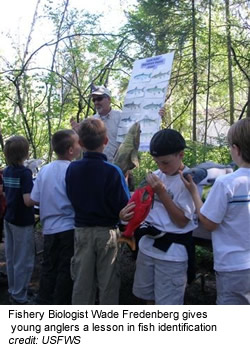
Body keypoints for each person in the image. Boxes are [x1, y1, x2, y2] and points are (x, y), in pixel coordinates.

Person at [120, 129, 198, 305]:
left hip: (172, 254)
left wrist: (162, 193)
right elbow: (139, 208)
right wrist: (124, 216)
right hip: (147, 247)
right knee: (147, 298)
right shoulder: (156, 175)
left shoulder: (188, 181)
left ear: (181, 155)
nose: (162, 167)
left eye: (166, 162)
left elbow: (181, 221)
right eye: (157, 162)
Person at [181, 118, 250, 305]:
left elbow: (209, 223)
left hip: (234, 267)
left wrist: (194, 193)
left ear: (236, 149)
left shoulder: (227, 183)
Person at [66, 118, 130, 305]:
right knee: (108, 283)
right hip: (107, 233)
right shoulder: (113, 171)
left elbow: (71, 195)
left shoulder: (72, 168)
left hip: (82, 231)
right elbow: (123, 206)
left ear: (80, 143)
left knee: (82, 283)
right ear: (106, 141)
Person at [30, 129, 81, 305]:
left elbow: (34, 198)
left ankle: (43, 300)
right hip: (69, 227)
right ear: (70, 150)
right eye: (77, 143)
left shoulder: (45, 170)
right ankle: (60, 304)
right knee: (66, 268)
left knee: (48, 266)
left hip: (50, 228)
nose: (80, 145)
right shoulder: (74, 170)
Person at [71, 85, 165, 162]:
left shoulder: (121, 117)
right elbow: (81, 147)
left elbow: (140, 127)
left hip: (118, 166)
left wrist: (156, 115)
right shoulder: (89, 121)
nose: (96, 102)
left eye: (99, 99)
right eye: (93, 100)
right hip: (94, 167)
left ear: (109, 99)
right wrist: (77, 133)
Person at [3, 136, 35, 304]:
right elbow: (28, 200)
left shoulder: (7, 171)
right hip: (22, 220)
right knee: (23, 259)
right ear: (25, 153)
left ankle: (14, 288)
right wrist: (42, 196)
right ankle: (19, 297)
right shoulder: (25, 173)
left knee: (11, 256)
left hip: (9, 218)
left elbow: (5, 193)